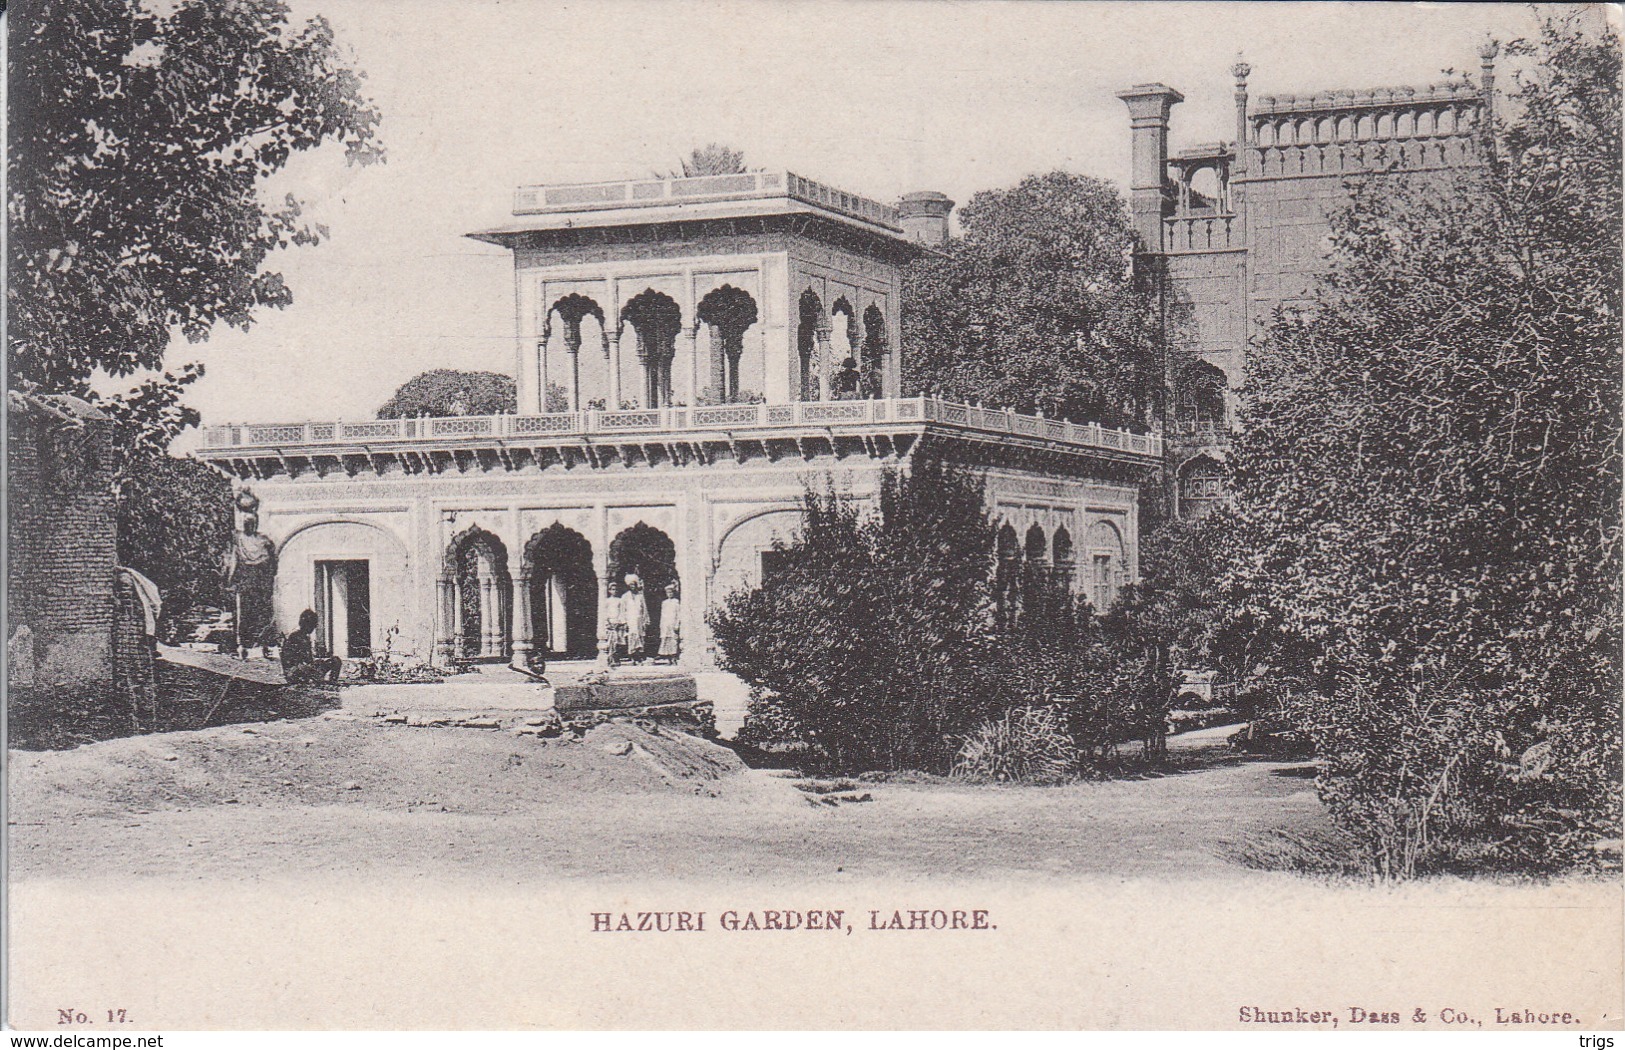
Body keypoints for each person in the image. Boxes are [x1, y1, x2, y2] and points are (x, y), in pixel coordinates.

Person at [224, 511, 278, 658]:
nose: (249, 525)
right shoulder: (238, 538)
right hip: (245, 581)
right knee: (243, 614)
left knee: (262, 613)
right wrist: (230, 579)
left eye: (252, 522)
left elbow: (271, 561)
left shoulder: (263, 541)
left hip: (260, 581)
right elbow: (233, 560)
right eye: (246, 522)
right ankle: (242, 644)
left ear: (256, 523)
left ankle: (263, 644)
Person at [281, 609, 342, 684]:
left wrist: (316, 663)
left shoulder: (305, 638)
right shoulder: (294, 637)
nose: (314, 628)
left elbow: (309, 660)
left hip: (306, 670)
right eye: (312, 625)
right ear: (306, 624)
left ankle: (332, 682)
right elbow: (291, 661)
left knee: (336, 660)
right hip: (295, 673)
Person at [621, 574, 649, 664]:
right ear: (628, 586)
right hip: (630, 620)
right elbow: (622, 610)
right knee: (631, 637)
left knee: (640, 638)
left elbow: (644, 609)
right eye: (631, 585)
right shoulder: (625, 596)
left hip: (639, 619)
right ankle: (633, 656)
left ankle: (639, 656)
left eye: (634, 584)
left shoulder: (640, 596)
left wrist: (645, 620)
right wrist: (624, 622)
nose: (633, 586)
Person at [657, 583, 681, 665]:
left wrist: (677, 624)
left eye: (671, 592)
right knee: (665, 640)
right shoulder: (664, 603)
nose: (669, 594)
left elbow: (678, 614)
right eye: (668, 593)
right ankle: (668, 659)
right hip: (665, 624)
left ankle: (674, 657)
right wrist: (661, 625)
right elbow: (662, 615)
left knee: (673, 641)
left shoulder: (676, 602)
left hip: (673, 623)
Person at [606, 582, 628, 665]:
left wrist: (620, 622)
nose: (614, 591)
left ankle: (616, 658)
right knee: (610, 642)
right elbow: (605, 612)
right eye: (612, 589)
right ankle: (610, 658)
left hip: (618, 623)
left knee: (617, 642)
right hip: (610, 623)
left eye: (615, 589)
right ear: (609, 591)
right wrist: (608, 622)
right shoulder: (607, 601)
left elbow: (622, 611)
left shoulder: (620, 600)